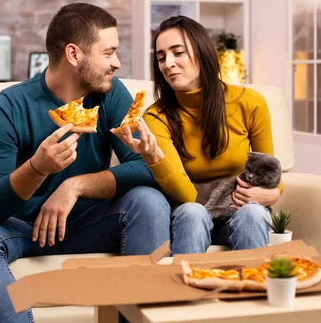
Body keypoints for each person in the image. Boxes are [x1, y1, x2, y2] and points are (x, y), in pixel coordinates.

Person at [0, 3, 171, 323]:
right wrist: (37, 169)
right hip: (26, 231)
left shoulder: (111, 95)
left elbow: (147, 167)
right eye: (108, 53)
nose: (117, 63)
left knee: (149, 201)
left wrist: (75, 186)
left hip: (91, 225)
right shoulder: (9, 107)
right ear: (73, 54)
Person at [112, 15, 282, 255]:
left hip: (239, 211)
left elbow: (270, 172)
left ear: (202, 52)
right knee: (193, 212)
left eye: (177, 53)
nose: (168, 63)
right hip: (189, 215)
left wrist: (273, 193)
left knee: (253, 213)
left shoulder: (250, 103)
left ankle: (255, 288)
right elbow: (188, 197)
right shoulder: (156, 117)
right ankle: (187, 290)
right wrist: (154, 158)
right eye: (161, 57)